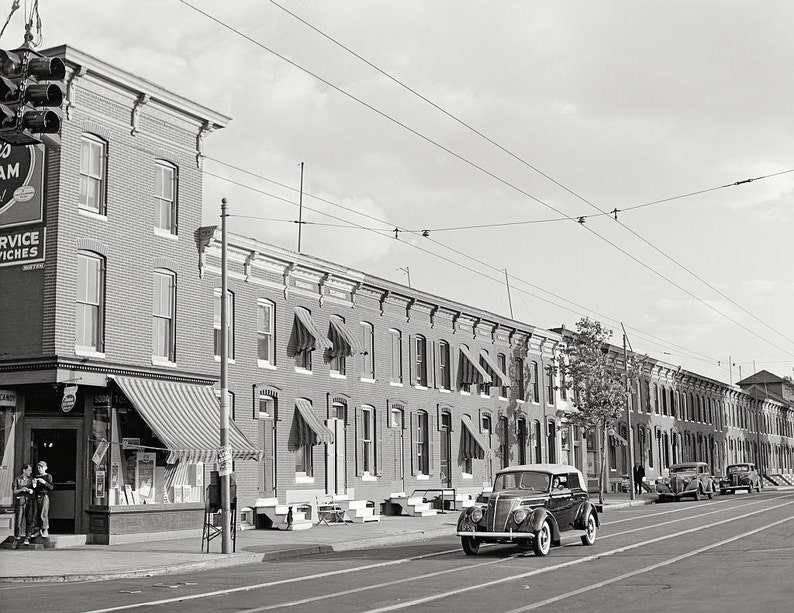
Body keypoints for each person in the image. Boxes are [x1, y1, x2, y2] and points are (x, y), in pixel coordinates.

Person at [12, 464, 34, 544]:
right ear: (24, 470)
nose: (30, 472)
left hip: (28, 500)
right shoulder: (17, 479)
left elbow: (33, 490)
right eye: (29, 470)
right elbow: (14, 491)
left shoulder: (31, 480)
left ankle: (27, 537)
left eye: (31, 470)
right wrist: (22, 489)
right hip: (20, 500)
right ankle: (16, 538)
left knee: (29, 519)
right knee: (18, 520)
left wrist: (31, 490)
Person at [32, 460, 54, 537]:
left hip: (44, 496)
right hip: (36, 496)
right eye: (38, 467)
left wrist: (44, 482)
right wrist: (34, 485)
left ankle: (45, 530)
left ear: (45, 468)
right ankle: (38, 530)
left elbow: (51, 487)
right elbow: (34, 488)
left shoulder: (48, 476)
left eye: (41, 467)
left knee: (43, 513)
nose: (39, 469)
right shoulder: (37, 477)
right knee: (36, 513)